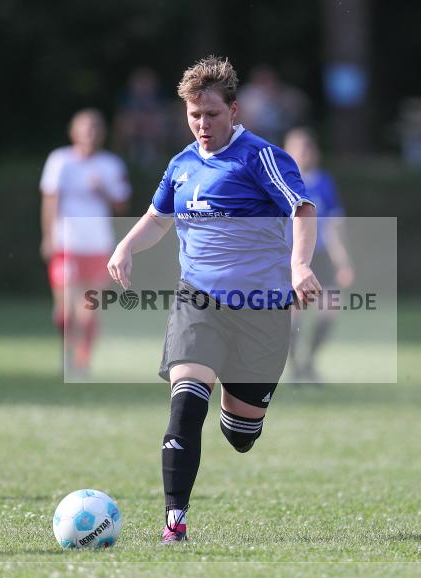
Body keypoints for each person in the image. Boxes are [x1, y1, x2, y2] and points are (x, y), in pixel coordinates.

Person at [108, 56, 320, 544]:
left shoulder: (260, 157)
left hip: (262, 311)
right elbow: (158, 218)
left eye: (212, 115)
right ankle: (174, 525)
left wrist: (300, 266)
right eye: (194, 115)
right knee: (186, 406)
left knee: (240, 436)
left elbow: (302, 209)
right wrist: (126, 245)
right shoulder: (181, 165)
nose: (202, 125)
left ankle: (239, 410)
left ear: (235, 111)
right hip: (197, 301)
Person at [40, 109, 131, 376]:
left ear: (101, 134)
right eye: (84, 127)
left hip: (99, 246)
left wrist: (102, 189)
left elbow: (122, 205)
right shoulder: (59, 160)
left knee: (89, 311)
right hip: (66, 245)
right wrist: (47, 237)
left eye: (95, 128)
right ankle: (67, 351)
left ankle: (82, 361)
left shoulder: (111, 165)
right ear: (73, 132)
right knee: (65, 311)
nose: (90, 133)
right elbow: (49, 201)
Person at [283, 128, 354, 382]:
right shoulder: (282, 182)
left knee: (330, 309)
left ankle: (309, 361)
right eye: (298, 148)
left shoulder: (323, 182)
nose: (304, 153)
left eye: (308, 148)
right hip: (292, 259)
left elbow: (333, 225)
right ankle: (293, 367)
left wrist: (343, 262)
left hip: (321, 256)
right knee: (294, 313)